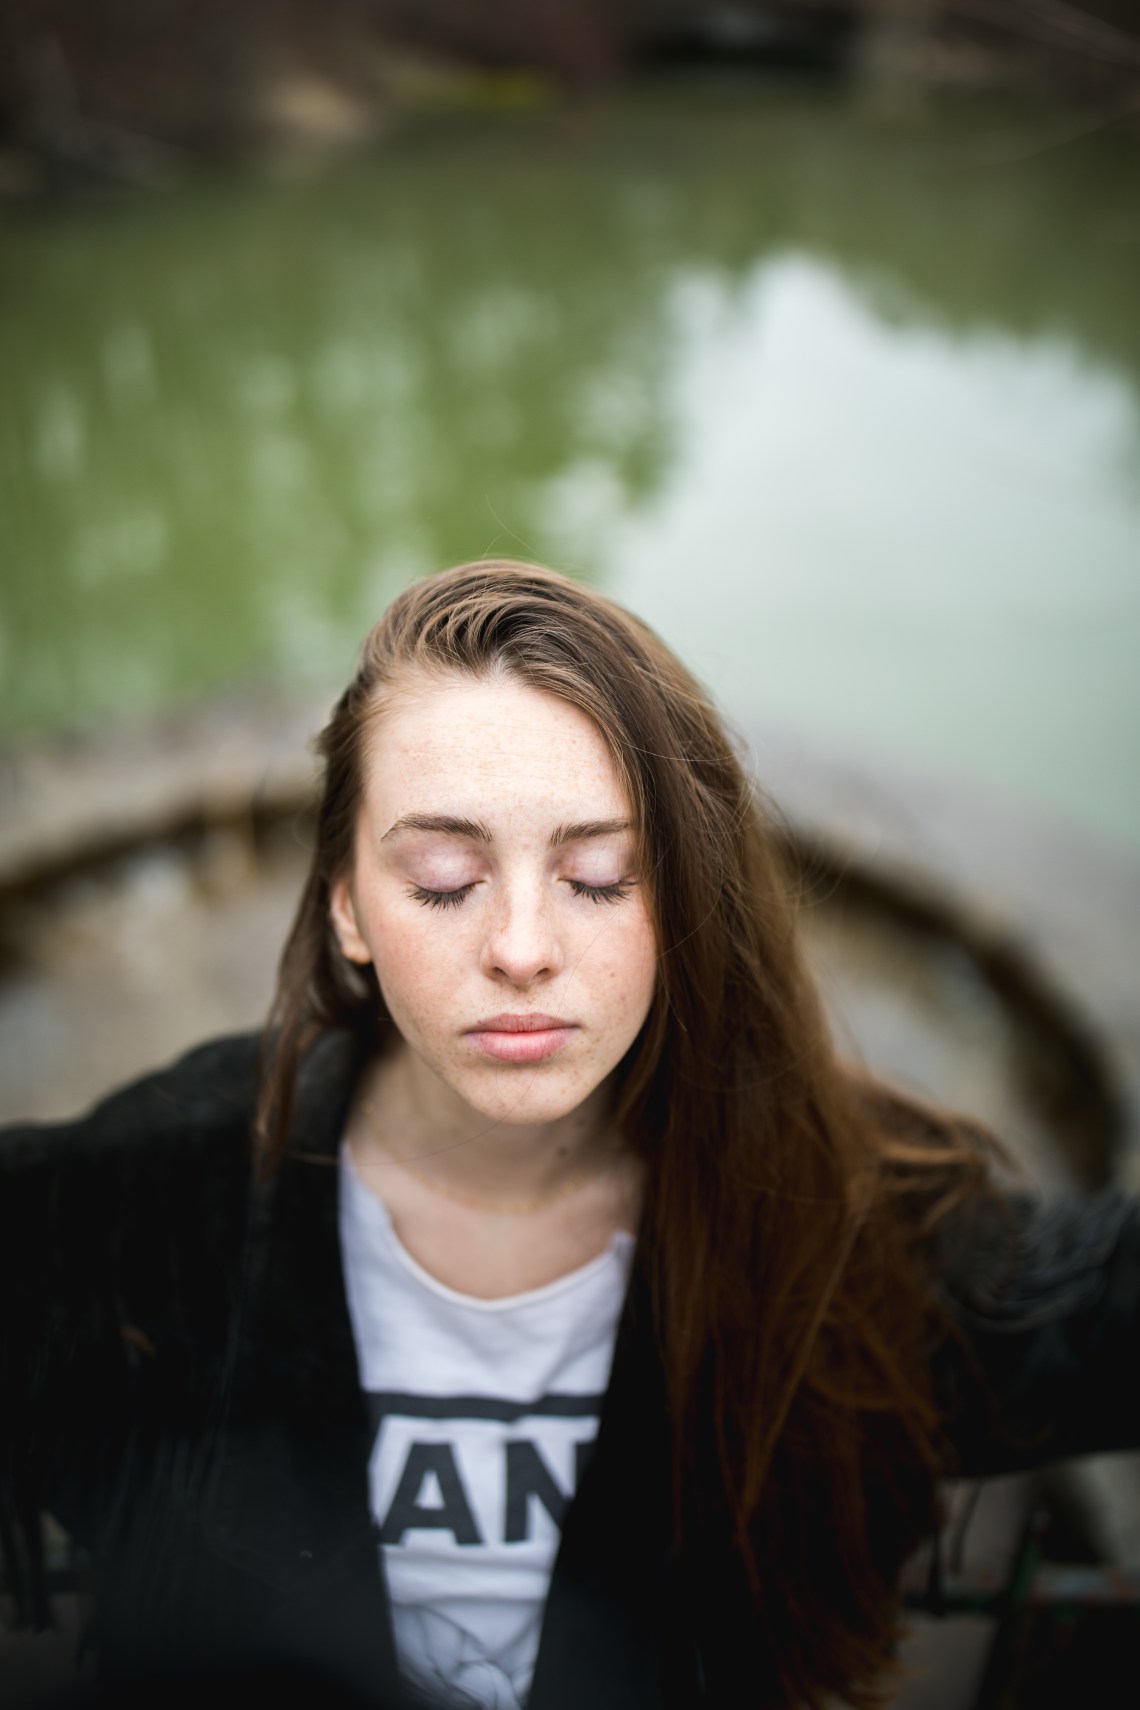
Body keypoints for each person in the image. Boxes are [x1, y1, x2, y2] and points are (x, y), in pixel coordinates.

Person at [1, 560, 1138, 1710]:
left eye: (600, 876)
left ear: (683, 901)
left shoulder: (836, 1226)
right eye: (445, 879)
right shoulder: (141, 1203)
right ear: (346, 901)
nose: (522, 947)